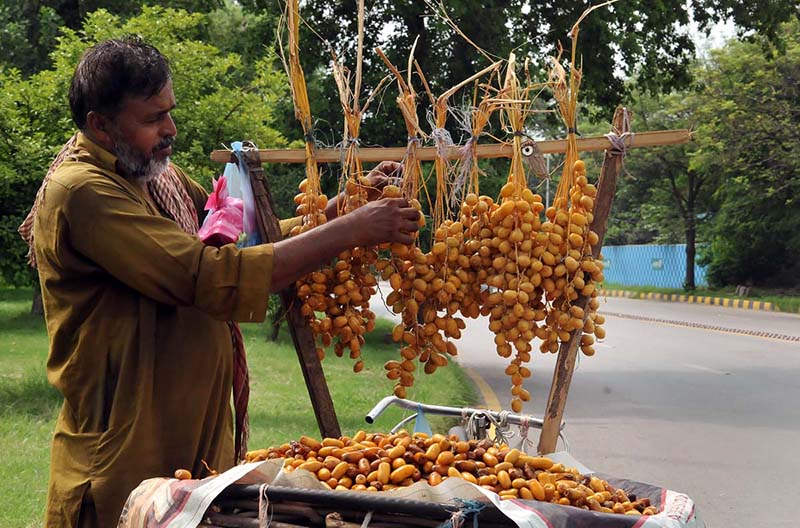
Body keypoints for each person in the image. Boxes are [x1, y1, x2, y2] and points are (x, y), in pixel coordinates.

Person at [20, 37, 419, 527]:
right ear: (100, 125)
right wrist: (350, 231)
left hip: (190, 452)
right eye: (151, 119)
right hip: (121, 462)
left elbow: (240, 249)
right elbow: (210, 276)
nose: (170, 129)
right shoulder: (83, 191)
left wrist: (340, 211)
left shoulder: (155, 177)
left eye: (169, 111)